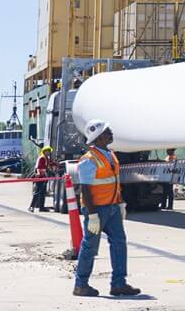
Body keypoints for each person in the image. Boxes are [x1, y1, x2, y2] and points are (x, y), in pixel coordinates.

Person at [72, 121, 141, 298]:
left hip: (112, 207)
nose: (111, 133)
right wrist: (93, 214)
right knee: (89, 247)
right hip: (97, 210)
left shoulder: (110, 155)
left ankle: (119, 284)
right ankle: (81, 285)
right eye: (108, 131)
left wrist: (121, 203)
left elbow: (114, 183)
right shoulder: (89, 159)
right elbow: (85, 189)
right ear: (100, 136)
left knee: (119, 244)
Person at [29, 146, 53, 212]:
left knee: (42, 193)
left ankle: (41, 207)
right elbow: (39, 168)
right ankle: (31, 207)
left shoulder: (46, 158)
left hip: (44, 177)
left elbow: (49, 164)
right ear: (44, 151)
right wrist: (43, 175)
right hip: (40, 177)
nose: (48, 152)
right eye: (47, 151)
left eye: (49, 151)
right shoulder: (42, 158)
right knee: (37, 192)